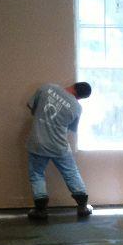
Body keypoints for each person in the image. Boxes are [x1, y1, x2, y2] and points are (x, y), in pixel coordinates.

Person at [25, 82, 93, 220]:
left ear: (74, 85)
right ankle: (83, 207)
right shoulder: (77, 108)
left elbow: (31, 107)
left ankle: (41, 210)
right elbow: (71, 129)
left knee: (37, 174)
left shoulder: (46, 87)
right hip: (59, 145)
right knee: (71, 172)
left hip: (38, 142)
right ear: (81, 97)